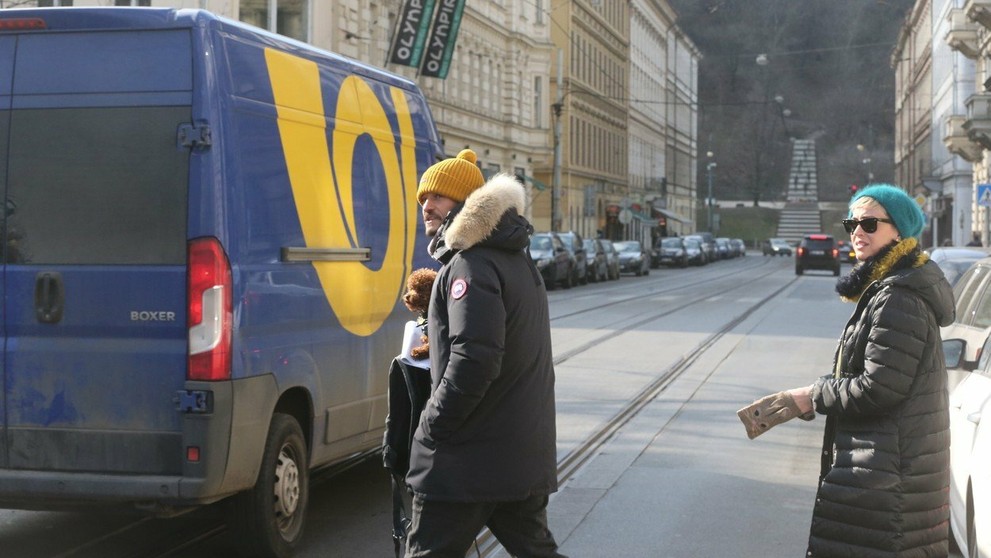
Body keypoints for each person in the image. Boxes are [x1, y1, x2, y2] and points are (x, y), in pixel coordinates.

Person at [739, 183, 954, 557]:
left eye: (869, 224)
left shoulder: (898, 298)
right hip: (885, 473)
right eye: (851, 223)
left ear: (898, 231)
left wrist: (809, 396)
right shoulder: (890, 289)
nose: (857, 231)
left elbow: (879, 387)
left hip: (885, 481)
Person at [405, 149, 565, 558]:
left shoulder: (470, 265)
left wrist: (431, 426)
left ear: (465, 203)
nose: (427, 205)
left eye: (439, 196)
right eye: (424, 197)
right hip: (516, 451)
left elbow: (475, 361)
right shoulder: (514, 258)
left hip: (468, 459)